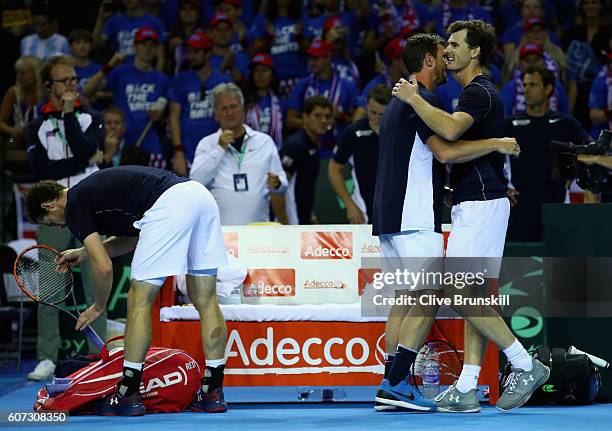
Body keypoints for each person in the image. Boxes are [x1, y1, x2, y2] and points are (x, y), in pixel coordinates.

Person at [393, 20, 549, 412]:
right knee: (472, 296)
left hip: (481, 206)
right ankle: (466, 387)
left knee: (458, 292)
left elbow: (448, 132)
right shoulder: (473, 92)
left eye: (456, 43)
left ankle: (524, 364)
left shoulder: (478, 92)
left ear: (475, 52)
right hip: (477, 203)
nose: (447, 49)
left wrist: (414, 99)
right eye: (446, 42)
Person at [24, 165, 229, 415]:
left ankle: (128, 392)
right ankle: (212, 392)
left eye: (52, 224)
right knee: (206, 299)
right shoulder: (97, 193)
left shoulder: (75, 204)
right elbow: (131, 239)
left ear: (49, 207)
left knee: (139, 299)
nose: (59, 227)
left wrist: (99, 306)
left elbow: (104, 267)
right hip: (200, 197)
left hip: (169, 204)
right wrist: (82, 252)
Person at [24, 55, 106, 381]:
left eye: (74, 79)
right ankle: (46, 357)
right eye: (64, 81)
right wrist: (83, 160)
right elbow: (42, 171)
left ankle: (99, 354)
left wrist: (70, 115)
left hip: (89, 209)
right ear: (49, 86)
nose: (72, 86)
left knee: (95, 285)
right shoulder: (34, 126)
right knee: (49, 289)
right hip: (52, 213)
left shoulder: (91, 116)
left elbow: (85, 147)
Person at [505, 66, 592, 242]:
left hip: (556, 206)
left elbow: (590, 151)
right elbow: (489, 157)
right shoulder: (511, 124)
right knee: (520, 265)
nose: (527, 90)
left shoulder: (565, 123)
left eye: (533, 85)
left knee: (558, 265)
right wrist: (500, 187)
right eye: (525, 85)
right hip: (521, 209)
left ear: (548, 89)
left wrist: (574, 173)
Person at [190, 83, 288, 225]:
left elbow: (283, 183)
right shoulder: (207, 144)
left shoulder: (264, 142)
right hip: (221, 234)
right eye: (224, 108)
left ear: (243, 110)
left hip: (259, 233)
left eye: (233, 106)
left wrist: (278, 183)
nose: (230, 113)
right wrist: (219, 149)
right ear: (216, 115)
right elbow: (195, 180)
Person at [84, 27, 170, 168]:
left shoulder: (163, 80)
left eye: (152, 45)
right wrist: (109, 66)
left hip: (150, 145)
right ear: (134, 46)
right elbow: (87, 91)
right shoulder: (121, 72)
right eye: (143, 44)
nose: (148, 49)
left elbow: (167, 117)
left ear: (156, 49)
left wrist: (161, 116)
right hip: (120, 145)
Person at [167, 30, 232, 175]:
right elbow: (174, 117)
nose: (191, 56)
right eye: (188, 52)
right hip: (188, 153)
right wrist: (178, 152)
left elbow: (231, 117)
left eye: (196, 52)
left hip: (219, 150)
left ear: (208, 53)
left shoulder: (224, 81)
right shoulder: (180, 80)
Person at [328, 84, 391, 224]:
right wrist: (350, 205)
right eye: (372, 112)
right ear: (366, 106)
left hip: (397, 209)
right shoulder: (353, 133)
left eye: (382, 114)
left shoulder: (401, 132)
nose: (376, 118)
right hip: (363, 211)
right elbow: (333, 169)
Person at [279, 96, 334, 224]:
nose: (323, 121)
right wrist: (283, 225)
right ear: (305, 118)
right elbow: (277, 188)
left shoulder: (313, 144)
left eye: (327, 116)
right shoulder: (296, 146)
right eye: (318, 116)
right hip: (291, 222)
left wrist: (310, 214)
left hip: (302, 218)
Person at [93, 0, 166, 71]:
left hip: (145, 73)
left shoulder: (154, 22)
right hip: (120, 73)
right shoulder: (114, 21)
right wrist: (100, 20)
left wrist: (156, 79)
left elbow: (161, 58)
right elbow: (96, 45)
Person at [243, 52, 286, 148]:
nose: (260, 75)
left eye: (265, 70)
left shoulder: (281, 103)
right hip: (250, 153)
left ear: (272, 74)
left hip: (275, 153)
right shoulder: (244, 103)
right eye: (257, 71)